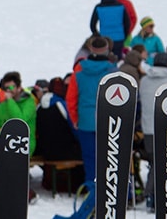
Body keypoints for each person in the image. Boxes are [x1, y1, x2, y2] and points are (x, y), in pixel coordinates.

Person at [57, 47, 117, 219]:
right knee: (110, 159)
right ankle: (115, 196)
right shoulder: (112, 70)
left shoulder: (79, 72)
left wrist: (75, 119)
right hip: (108, 122)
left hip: (85, 122)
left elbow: (71, 98)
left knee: (91, 161)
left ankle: (93, 198)